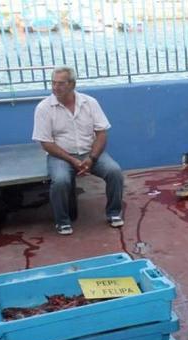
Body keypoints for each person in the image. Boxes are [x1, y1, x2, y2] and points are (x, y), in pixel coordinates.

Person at [32, 66, 124, 235]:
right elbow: (46, 143)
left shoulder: (90, 103)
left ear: (72, 84)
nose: (55, 87)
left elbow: (101, 133)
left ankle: (114, 213)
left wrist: (92, 158)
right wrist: (72, 161)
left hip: (90, 153)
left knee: (114, 171)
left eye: (60, 83)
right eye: (53, 83)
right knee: (60, 180)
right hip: (60, 156)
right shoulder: (43, 108)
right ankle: (62, 221)